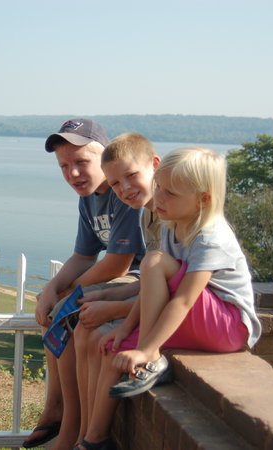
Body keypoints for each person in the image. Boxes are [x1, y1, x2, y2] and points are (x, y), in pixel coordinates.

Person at [78, 147, 262, 450]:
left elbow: (184, 300)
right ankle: (94, 440)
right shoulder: (170, 227)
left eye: (171, 193)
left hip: (228, 326)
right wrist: (124, 329)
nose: (159, 197)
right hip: (198, 320)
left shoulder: (210, 236)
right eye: (159, 187)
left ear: (203, 199)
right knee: (112, 350)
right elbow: (153, 291)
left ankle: (151, 358)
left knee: (152, 262)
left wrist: (146, 348)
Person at [25, 119, 146, 449]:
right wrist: (52, 289)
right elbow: (83, 255)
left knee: (70, 311)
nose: (73, 174)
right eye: (64, 166)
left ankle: (70, 429)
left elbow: (118, 263)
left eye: (81, 162)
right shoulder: (89, 197)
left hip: (138, 277)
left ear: (104, 158)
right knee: (54, 309)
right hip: (119, 276)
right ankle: (56, 407)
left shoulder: (123, 193)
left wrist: (71, 291)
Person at [73, 132, 160, 448]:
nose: (124, 188)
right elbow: (152, 282)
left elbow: (175, 290)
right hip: (151, 301)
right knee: (90, 330)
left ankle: (93, 437)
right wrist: (108, 296)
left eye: (132, 176)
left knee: (105, 342)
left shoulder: (168, 216)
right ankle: (84, 432)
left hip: (185, 314)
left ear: (155, 165)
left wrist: (117, 309)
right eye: (115, 184)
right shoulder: (149, 214)